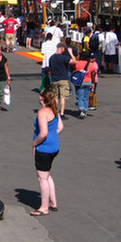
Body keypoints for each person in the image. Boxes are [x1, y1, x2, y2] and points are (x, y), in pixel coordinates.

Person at [30, 88, 64, 216]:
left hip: (44, 149)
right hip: (54, 147)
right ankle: (53, 202)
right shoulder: (55, 110)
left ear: (41, 98)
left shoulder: (42, 112)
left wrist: (34, 143)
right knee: (47, 174)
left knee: (42, 178)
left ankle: (44, 207)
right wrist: (52, 136)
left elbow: (43, 133)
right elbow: (60, 127)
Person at [48, 43, 76, 118]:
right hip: (63, 78)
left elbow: (50, 69)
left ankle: (56, 112)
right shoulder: (63, 57)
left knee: (56, 97)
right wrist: (71, 53)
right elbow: (74, 61)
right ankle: (62, 113)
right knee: (63, 97)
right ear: (61, 48)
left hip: (55, 79)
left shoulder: (52, 58)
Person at [73, 52, 97, 118]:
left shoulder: (77, 63)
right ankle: (85, 111)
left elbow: (73, 69)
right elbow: (93, 74)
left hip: (80, 82)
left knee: (79, 97)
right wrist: (93, 83)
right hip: (88, 82)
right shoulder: (91, 64)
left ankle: (81, 111)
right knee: (85, 98)